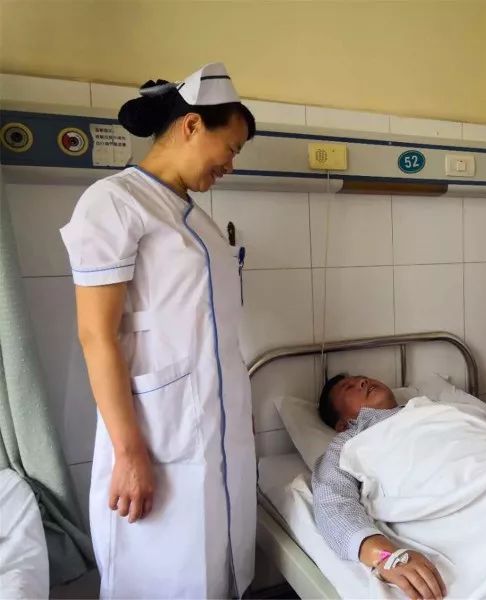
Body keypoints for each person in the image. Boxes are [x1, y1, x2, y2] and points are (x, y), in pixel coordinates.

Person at [60, 62, 257, 598]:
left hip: (211, 430)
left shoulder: (196, 218)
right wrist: (129, 454)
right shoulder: (114, 202)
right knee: (161, 576)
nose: (231, 165)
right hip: (156, 435)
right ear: (192, 125)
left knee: (213, 574)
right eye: (231, 148)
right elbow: (96, 336)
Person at [312, 374, 486, 600]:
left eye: (362, 377)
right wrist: (383, 555)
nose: (363, 381)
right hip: (469, 500)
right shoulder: (347, 444)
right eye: (349, 387)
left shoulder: (443, 406)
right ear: (342, 424)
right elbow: (332, 502)